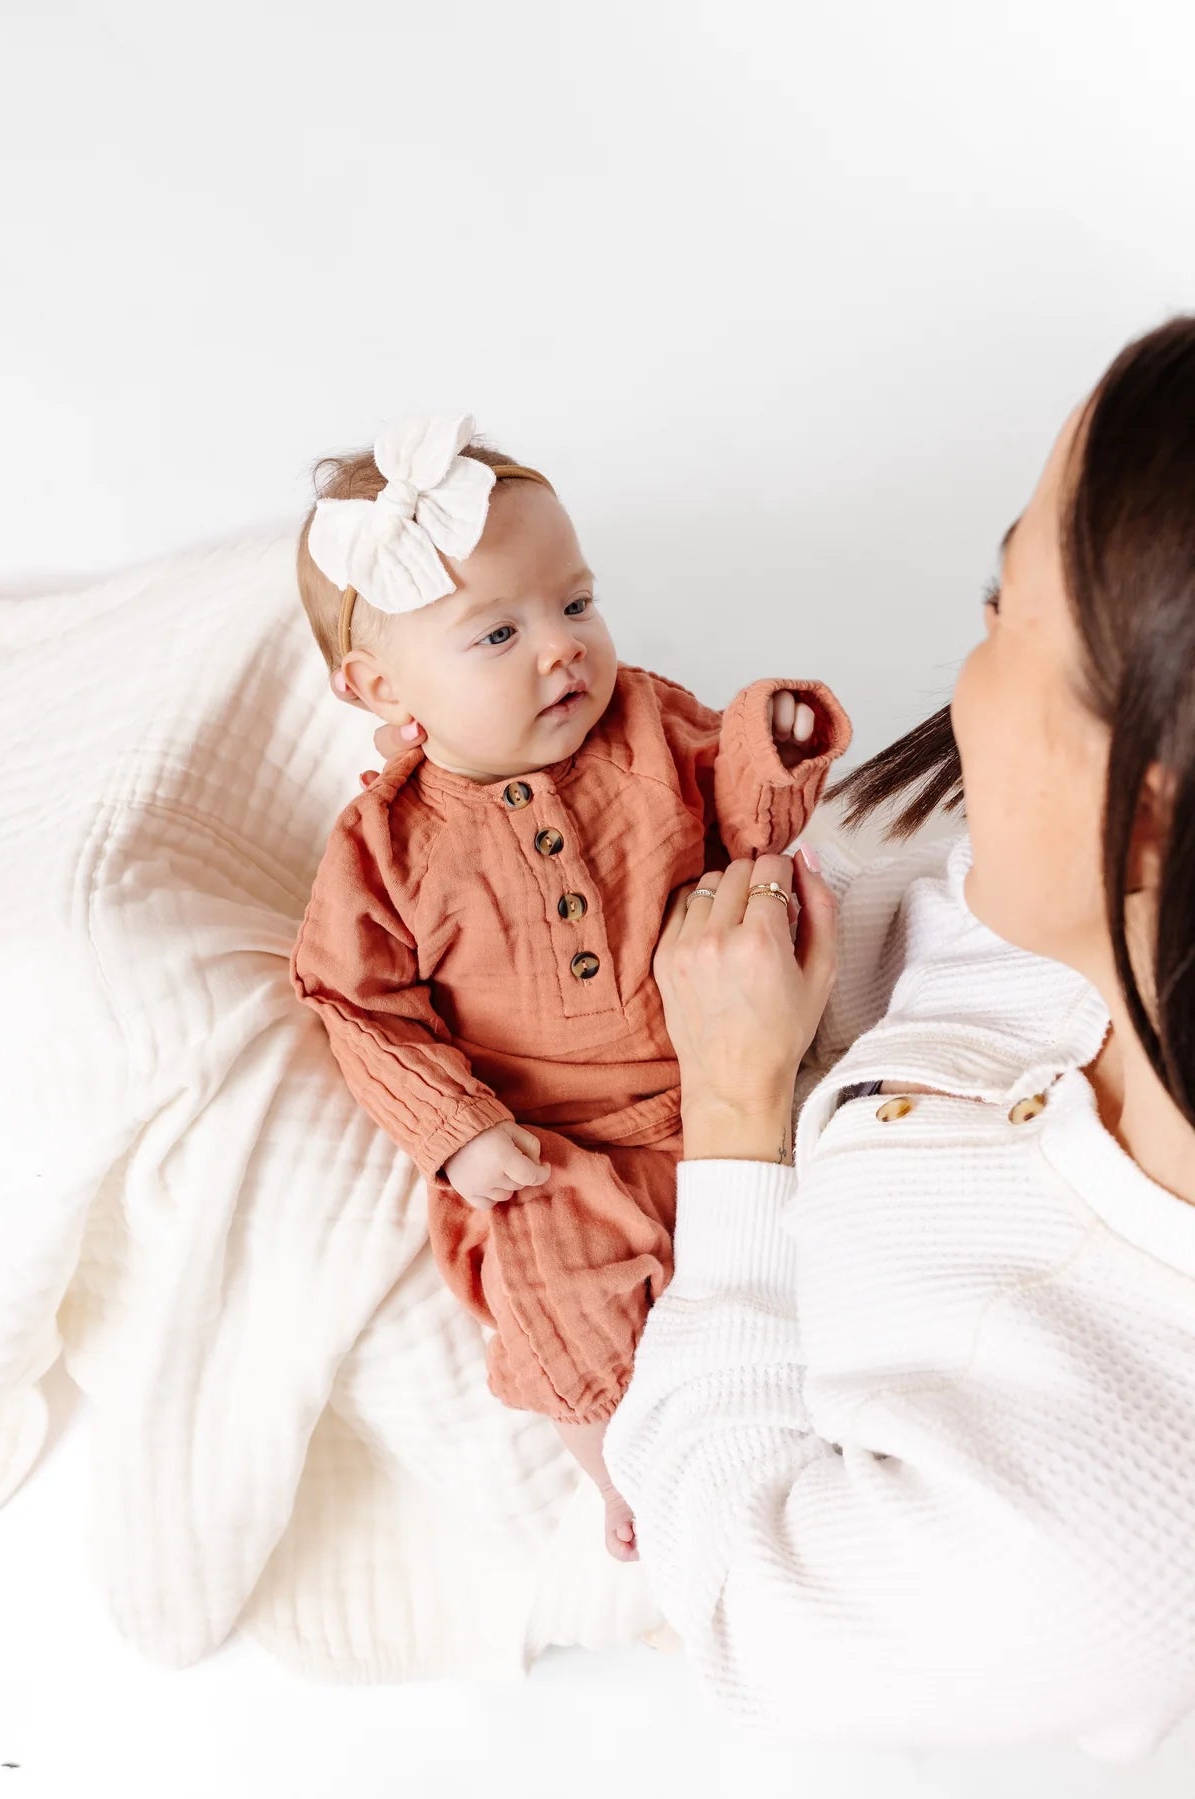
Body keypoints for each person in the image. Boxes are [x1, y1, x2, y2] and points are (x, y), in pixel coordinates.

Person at [602, 316, 1195, 1755]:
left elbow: (740, 1587)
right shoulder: (1068, 919)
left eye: (1002, 606)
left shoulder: (1071, 1554)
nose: (965, 670)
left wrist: (735, 1119)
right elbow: (892, 899)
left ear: (1156, 802)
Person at [289, 416, 851, 1559]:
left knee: (840, 1216)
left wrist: (771, 743)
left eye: (577, 603)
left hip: (731, 1078)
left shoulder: (647, 723)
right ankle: (628, 1471)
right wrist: (459, 1132)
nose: (563, 648)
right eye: (498, 630)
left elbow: (749, 827)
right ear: (377, 683)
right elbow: (356, 1005)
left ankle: (841, 1404)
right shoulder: (384, 846)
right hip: (553, 1145)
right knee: (557, 1283)